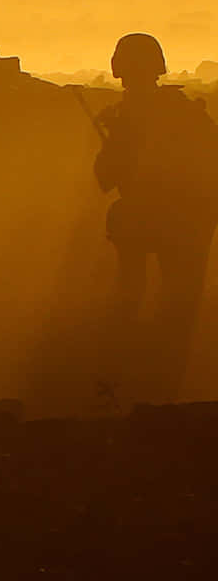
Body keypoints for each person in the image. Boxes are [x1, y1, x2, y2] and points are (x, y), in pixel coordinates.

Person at [93, 32, 218, 400]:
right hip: (184, 221)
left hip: (159, 218)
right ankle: (157, 384)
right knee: (176, 305)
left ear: (119, 70)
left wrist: (114, 139)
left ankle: (121, 379)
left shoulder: (127, 116)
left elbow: (105, 178)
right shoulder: (185, 112)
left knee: (131, 298)